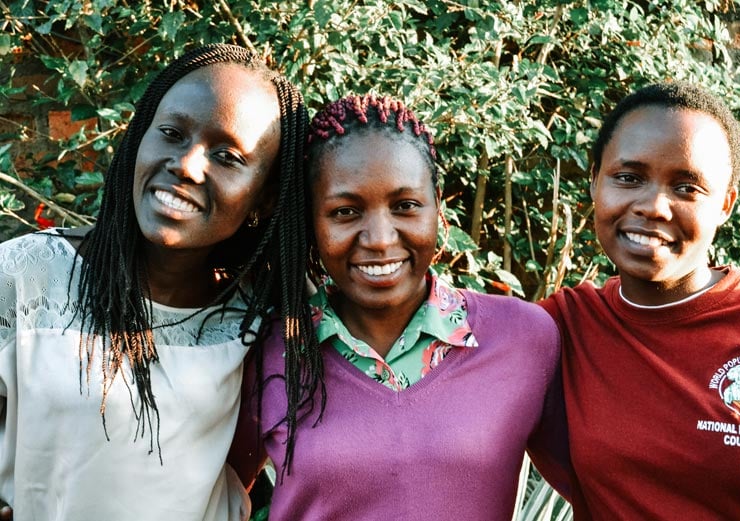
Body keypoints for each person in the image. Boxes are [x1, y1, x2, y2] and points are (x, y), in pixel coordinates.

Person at [0, 43, 319, 520]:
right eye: (170, 133)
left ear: (265, 200)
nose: (186, 165)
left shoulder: (261, 318)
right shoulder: (29, 276)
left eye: (228, 156)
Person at [229, 93, 570, 519]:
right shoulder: (270, 352)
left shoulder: (522, 337)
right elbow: (216, 495)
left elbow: (602, 485)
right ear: (311, 222)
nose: (380, 239)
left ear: (437, 207)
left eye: (405, 206)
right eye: (345, 211)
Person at [539, 82, 740, 520]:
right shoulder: (560, 329)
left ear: (725, 205)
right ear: (593, 181)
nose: (654, 206)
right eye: (628, 178)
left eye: (687, 187)